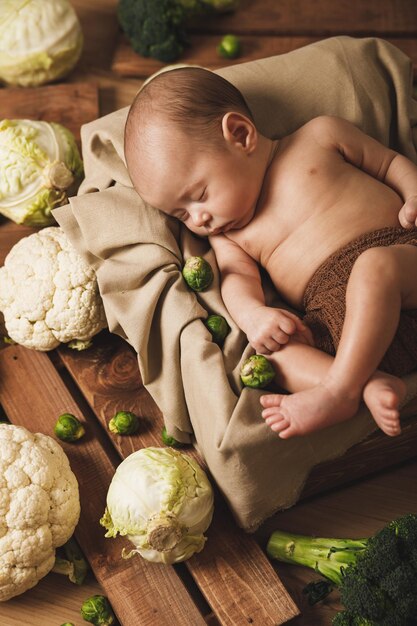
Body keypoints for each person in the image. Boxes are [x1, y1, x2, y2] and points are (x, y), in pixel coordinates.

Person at [124, 66, 417, 440]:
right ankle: (368, 383)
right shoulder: (231, 236)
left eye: (198, 196)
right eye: (180, 215)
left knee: (373, 268)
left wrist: (413, 194)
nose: (199, 220)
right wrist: (254, 317)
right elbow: (236, 279)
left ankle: (338, 392)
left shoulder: (320, 137)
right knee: (274, 355)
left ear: (241, 135)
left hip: (401, 258)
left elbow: (389, 162)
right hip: (340, 321)